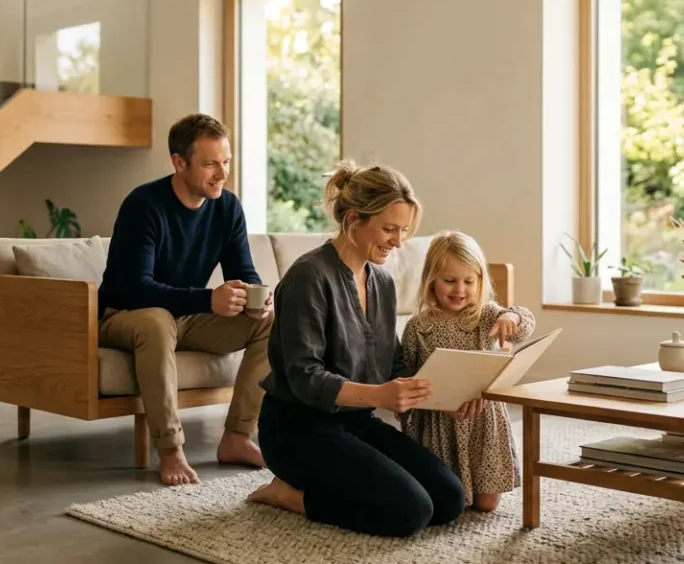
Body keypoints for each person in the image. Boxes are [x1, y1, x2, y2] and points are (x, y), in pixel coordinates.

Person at [248, 159, 466, 538]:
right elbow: (305, 378)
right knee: (410, 511)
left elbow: (393, 363)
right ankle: (289, 495)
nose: (398, 242)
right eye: (389, 229)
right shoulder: (308, 277)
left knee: (450, 498)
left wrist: (445, 396)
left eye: (403, 231)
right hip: (297, 430)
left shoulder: (382, 281)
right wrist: (380, 395)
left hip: (357, 423)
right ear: (353, 220)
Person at [98, 113, 272, 486]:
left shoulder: (227, 207)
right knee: (156, 320)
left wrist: (257, 297)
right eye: (210, 164)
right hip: (125, 314)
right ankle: (171, 450)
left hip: (185, 317)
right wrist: (209, 300)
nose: (222, 173)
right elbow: (136, 289)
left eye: (226, 161)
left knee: (271, 321)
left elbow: (243, 270)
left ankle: (238, 436)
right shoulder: (143, 205)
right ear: (179, 162)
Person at [398, 231, 535, 512]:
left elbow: (524, 325)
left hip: (482, 417)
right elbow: (407, 377)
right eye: (449, 281)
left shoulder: (486, 315)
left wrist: (511, 315)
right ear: (431, 279)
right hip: (439, 420)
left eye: (469, 281)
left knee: (487, 505)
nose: (459, 289)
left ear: (480, 281)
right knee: (450, 499)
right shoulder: (418, 327)